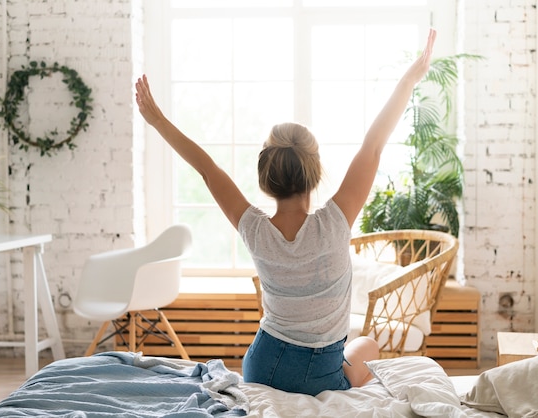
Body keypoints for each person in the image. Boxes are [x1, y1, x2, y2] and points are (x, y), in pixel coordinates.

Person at [135, 28, 436, 396]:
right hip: (319, 371)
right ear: (314, 172)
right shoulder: (334, 223)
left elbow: (207, 168)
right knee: (368, 347)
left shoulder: (254, 229)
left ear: (267, 175)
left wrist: (158, 121)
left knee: (357, 350)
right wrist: (409, 79)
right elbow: (373, 147)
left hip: (260, 365)